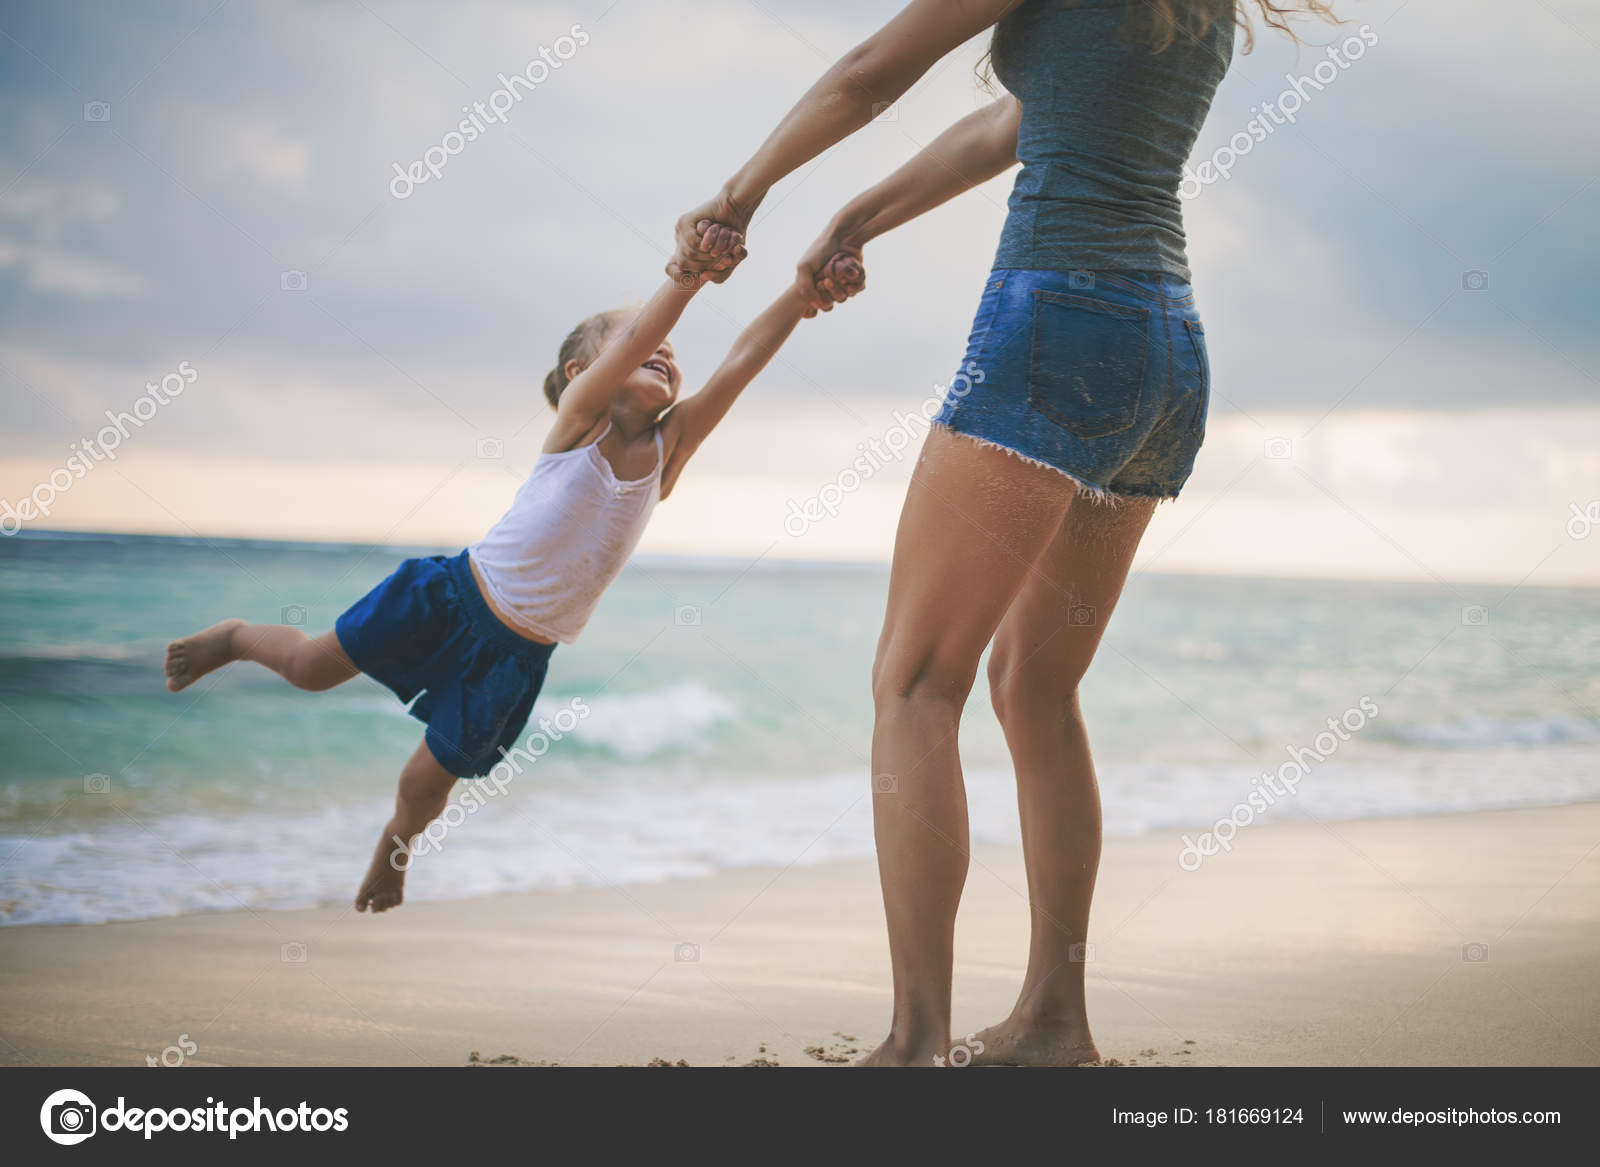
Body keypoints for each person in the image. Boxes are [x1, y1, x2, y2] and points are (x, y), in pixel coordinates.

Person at [671, 0, 1336, 1065]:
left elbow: (865, 73)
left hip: (1053, 323)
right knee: (1035, 688)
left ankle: (917, 1043)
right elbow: (1014, 125)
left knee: (915, 683)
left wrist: (740, 193)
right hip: (1166, 348)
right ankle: (1053, 1023)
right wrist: (857, 217)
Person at [163, 233, 863, 914]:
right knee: (314, 669)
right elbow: (631, 342)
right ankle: (234, 637)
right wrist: (688, 276)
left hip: (521, 654)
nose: (665, 355)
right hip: (449, 596)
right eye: (645, 345)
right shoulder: (578, 424)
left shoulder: (669, 450)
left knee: (431, 777)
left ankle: (395, 845)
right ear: (577, 376)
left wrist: (801, 296)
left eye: (673, 355)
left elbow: (741, 361)